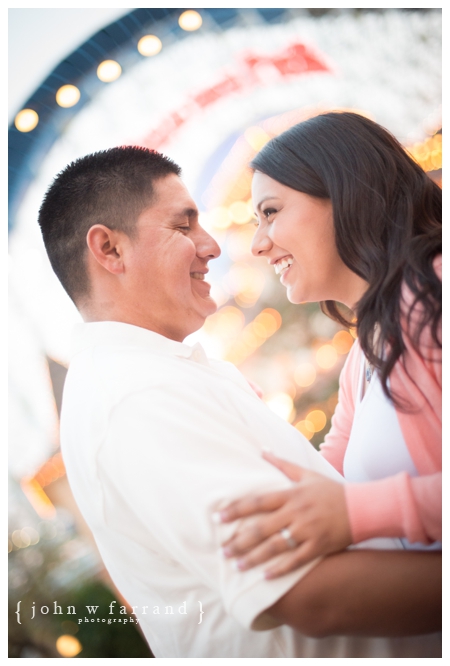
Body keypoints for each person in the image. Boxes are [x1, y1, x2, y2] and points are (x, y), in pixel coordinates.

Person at [37, 146, 441, 658]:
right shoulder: (139, 398)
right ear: (110, 250)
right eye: (183, 227)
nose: (213, 247)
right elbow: (310, 594)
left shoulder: (160, 378)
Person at [215, 112, 442, 582]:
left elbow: (345, 504)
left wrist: (360, 514)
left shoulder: (436, 290)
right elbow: (322, 483)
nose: (258, 244)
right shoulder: (363, 357)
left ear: (344, 192)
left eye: (271, 212)